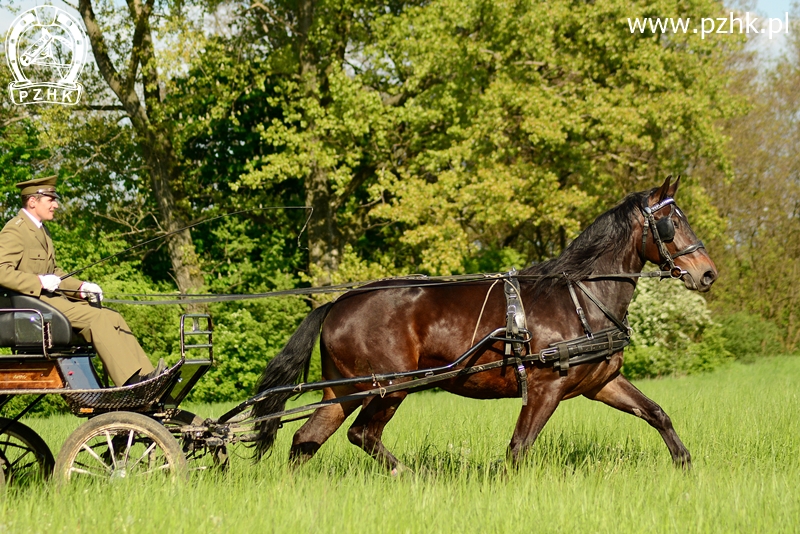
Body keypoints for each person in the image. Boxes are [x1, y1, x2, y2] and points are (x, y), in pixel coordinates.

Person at [0, 176, 163, 386]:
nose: (55, 205)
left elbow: (54, 272)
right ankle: (132, 382)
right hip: (37, 307)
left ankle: (148, 377)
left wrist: (81, 288)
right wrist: (38, 282)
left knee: (112, 317)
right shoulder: (16, 229)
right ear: (33, 201)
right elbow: (2, 272)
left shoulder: (41, 230)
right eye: (50, 199)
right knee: (98, 319)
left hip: (54, 302)